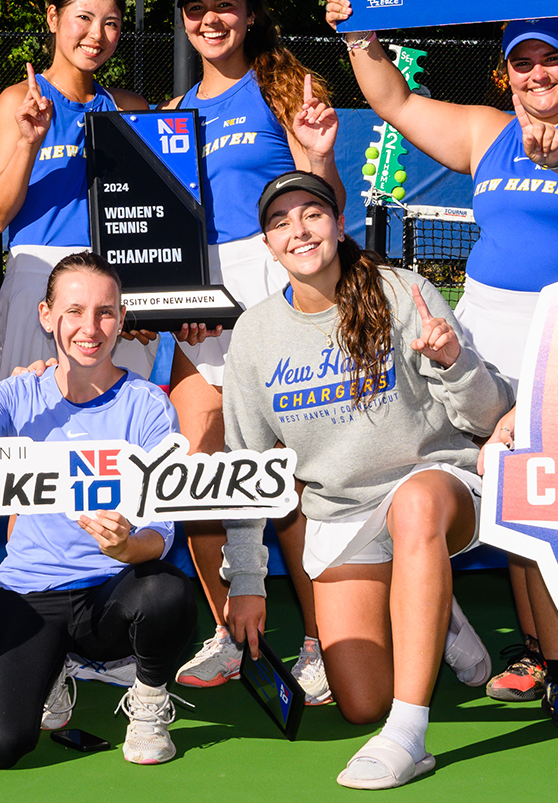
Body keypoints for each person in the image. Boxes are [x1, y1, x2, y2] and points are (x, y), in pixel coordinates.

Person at [324, 0, 558, 725]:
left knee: (548, 503)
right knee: (504, 500)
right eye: (523, 63)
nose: (538, 75)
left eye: (551, 60)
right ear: (506, 73)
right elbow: (395, 102)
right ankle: (535, 650)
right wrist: (360, 34)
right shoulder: (486, 133)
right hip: (485, 334)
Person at [221, 171, 512, 790]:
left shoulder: (404, 291)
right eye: (280, 223)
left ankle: (409, 735)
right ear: (267, 244)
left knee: (414, 508)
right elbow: (245, 466)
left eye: (312, 215)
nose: (299, 231)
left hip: (436, 485)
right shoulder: (254, 335)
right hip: (341, 512)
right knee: (359, 703)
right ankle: (435, 604)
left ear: (337, 222)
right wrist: (246, 582)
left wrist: (456, 363)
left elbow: (487, 416)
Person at [0, 251, 195, 767]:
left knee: (166, 592)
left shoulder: (148, 405)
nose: (91, 327)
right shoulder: (20, 393)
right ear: (46, 317)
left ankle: (150, 699)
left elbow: (163, 529)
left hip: (111, 593)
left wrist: (127, 545)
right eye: (74, 311)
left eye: (105, 312)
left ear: (122, 319)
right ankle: (52, 667)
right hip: (31, 589)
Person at [163, 0, 339, 698]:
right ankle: (233, 632)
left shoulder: (284, 89)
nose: (210, 18)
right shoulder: (172, 109)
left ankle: (328, 638)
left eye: (224, 3)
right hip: (196, 305)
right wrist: (153, 302)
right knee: (204, 477)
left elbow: (322, 202)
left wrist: (318, 154)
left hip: (275, 294)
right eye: (195, 7)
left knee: (291, 481)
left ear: (250, 10)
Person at [0, 0, 153, 383]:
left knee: (116, 429)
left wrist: (149, 295)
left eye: (111, 23)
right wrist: (28, 143)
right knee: (30, 428)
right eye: (85, 18)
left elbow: (151, 215)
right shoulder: (17, 101)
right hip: (37, 279)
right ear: (53, 18)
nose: (97, 34)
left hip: (113, 280)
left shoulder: (132, 109)